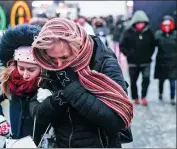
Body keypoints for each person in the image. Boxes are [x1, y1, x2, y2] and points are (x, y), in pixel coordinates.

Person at [29, 18, 133, 148]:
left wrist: (72, 89)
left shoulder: (105, 63)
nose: (59, 64)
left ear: (78, 47)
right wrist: (59, 98)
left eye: (64, 57)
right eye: (52, 58)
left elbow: (117, 121)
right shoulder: (50, 65)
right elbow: (37, 113)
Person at [0, 24, 49, 146]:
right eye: (21, 68)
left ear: (42, 67)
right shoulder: (11, 80)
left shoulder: (50, 84)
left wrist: (51, 100)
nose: (25, 74)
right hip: (15, 142)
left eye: (31, 69)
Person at [119, 10, 156, 106]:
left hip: (146, 62)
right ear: (135, 23)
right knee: (133, 81)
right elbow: (122, 45)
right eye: (138, 23)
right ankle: (135, 97)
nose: (140, 25)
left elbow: (153, 45)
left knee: (146, 79)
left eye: (142, 23)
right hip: (132, 62)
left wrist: (149, 55)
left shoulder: (149, 32)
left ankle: (143, 97)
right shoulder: (128, 32)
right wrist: (128, 54)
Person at [154, 15, 177, 105]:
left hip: (173, 62)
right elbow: (151, 45)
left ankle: (172, 97)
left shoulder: (175, 35)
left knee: (172, 81)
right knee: (161, 80)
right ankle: (160, 93)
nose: (167, 27)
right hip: (161, 62)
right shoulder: (158, 35)